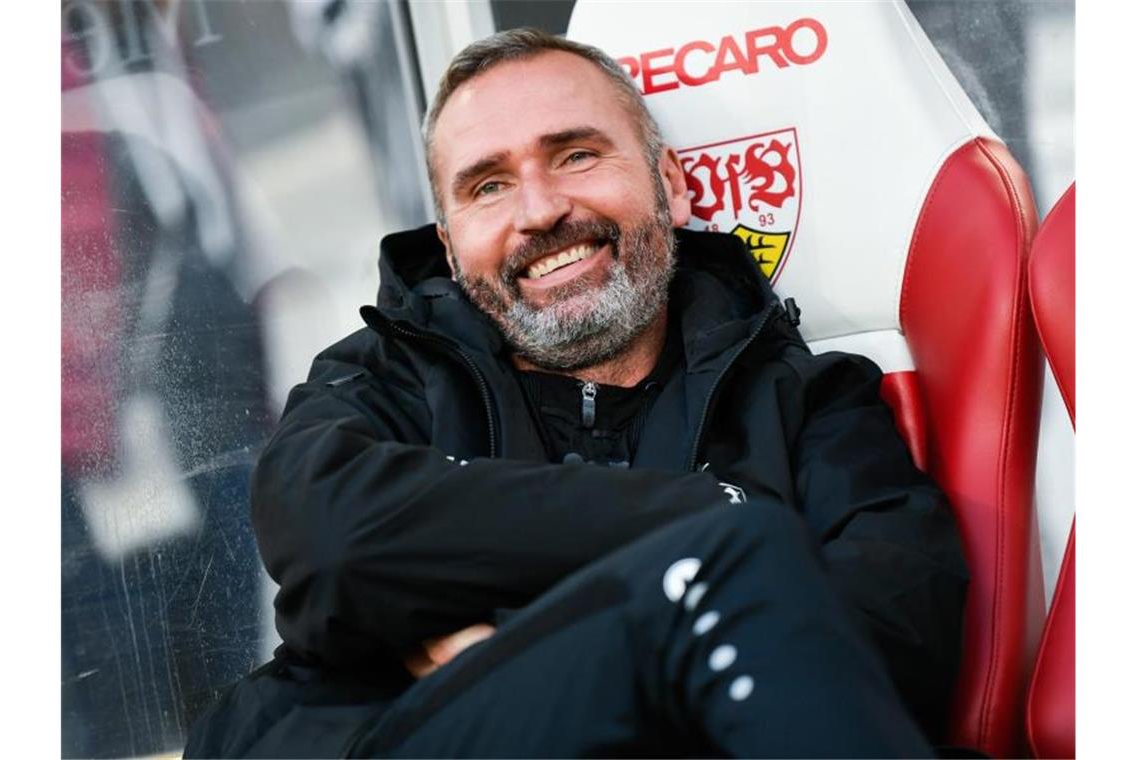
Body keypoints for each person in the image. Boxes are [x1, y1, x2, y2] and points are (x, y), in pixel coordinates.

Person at [186, 28, 968, 758]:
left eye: (575, 156)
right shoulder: (379, 379)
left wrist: (509, 631)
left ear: (670, 182)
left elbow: (892, 638)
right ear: (451, 245)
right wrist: (716, 517)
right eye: (488, 186)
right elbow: (334, 544)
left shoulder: (806, 401)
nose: (540, 211)